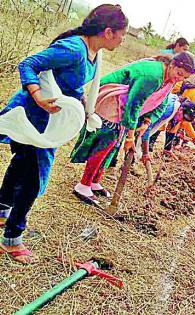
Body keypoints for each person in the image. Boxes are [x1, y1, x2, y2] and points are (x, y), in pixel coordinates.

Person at [0, 4, 128, 264]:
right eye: (121, 33)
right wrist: (37, 96)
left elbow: (69, 82)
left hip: (49, 120)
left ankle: (2, 213)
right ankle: (12, 238)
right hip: (35, 118)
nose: (123, 39)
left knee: (22, 164)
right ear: (108, 32)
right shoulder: (73, 49)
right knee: (34, 178)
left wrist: (82, 104)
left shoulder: (93, 53)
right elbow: (29, 64)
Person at [70, 52, 195, 207]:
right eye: (179, 74)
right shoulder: (153, 76)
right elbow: (134, 104)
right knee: (104, 144)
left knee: (112, 146)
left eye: (184, 77)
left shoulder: (169, 80)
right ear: (173, 64)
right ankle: (83, 185)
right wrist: (130, 137)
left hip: (122, 107)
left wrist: (147, 121)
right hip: (110, 98)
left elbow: (161, 103)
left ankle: (95, 182)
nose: (180, 79)